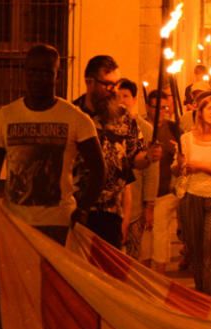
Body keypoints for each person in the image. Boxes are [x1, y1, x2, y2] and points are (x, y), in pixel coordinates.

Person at [0, 44, 104, 329]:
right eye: (32, 71)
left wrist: (81, 208)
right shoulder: (4, 117)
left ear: (56, 74)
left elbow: (97, 169)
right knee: (3, 301)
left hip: (56, 226)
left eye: (45, 72)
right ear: (24, 73)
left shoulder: (75, 119)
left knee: (48, 305)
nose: (38, 78)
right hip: (13, 224)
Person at [72, 55, 160, 247]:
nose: (114, 91)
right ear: (90, 82)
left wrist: (149, 157)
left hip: (111, 210)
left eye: (116, 84)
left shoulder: (123, 117)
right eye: (108, 85)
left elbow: (135, 157)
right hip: (77, 208)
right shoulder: (73, 114)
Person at [175, 93, 211, 295]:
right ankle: (201, 291)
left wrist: (200, 166)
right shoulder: (186, 139)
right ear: (200, 112)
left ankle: (208, 294)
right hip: (191, 196)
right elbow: (179, 169)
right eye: (210, 108)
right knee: (195, 250)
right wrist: (180, 164)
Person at [117, 79, 159, 262]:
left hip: (135, 205)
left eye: (125, 96)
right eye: (117, 96)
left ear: (134, 99)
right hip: (113, 205)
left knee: (134, 256)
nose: (121, 100)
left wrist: (149, 204)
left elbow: (151, 170)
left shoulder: (144, 129)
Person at [145, 88, 184, 269]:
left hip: (166, 192)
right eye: (156, 107)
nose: (160, 112)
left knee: (160, 234)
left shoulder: (174, 129)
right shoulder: (140, 127)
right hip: (145, 193)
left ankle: (159, 276)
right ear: (148, 107)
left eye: (165, 108)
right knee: (147, 238)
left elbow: (182, 156)